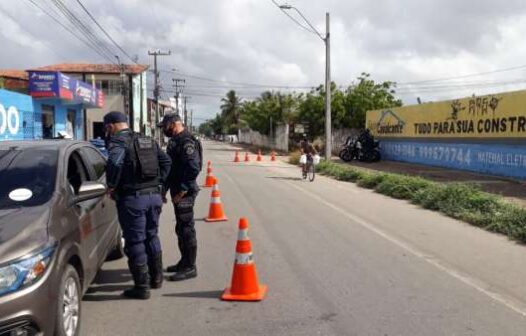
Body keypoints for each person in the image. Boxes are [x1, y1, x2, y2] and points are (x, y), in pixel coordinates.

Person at [104, 111, 172, 299]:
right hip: (154, 197)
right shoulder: (146, 140)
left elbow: (115, 163)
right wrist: (160, 186)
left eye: (107, 128)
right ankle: (156, 279)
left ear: (111, 126)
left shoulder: (118, 142)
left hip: (133, 199)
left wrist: (111, 185)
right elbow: (166, 162)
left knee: (135, 241)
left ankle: (142, 288)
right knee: (152, 235)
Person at [158, 114, 202, 281]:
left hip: (185, 192)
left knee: (186, 229)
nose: (164, 130)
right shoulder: (175, 140)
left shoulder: (187, 142)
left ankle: (190, 267)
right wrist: (164, 190)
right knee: (181, 229)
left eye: (165, 126)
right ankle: (184, 262)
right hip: (176, 189)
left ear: (174, 124)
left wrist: (182, 190)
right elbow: (171, 169)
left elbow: (193, 168)